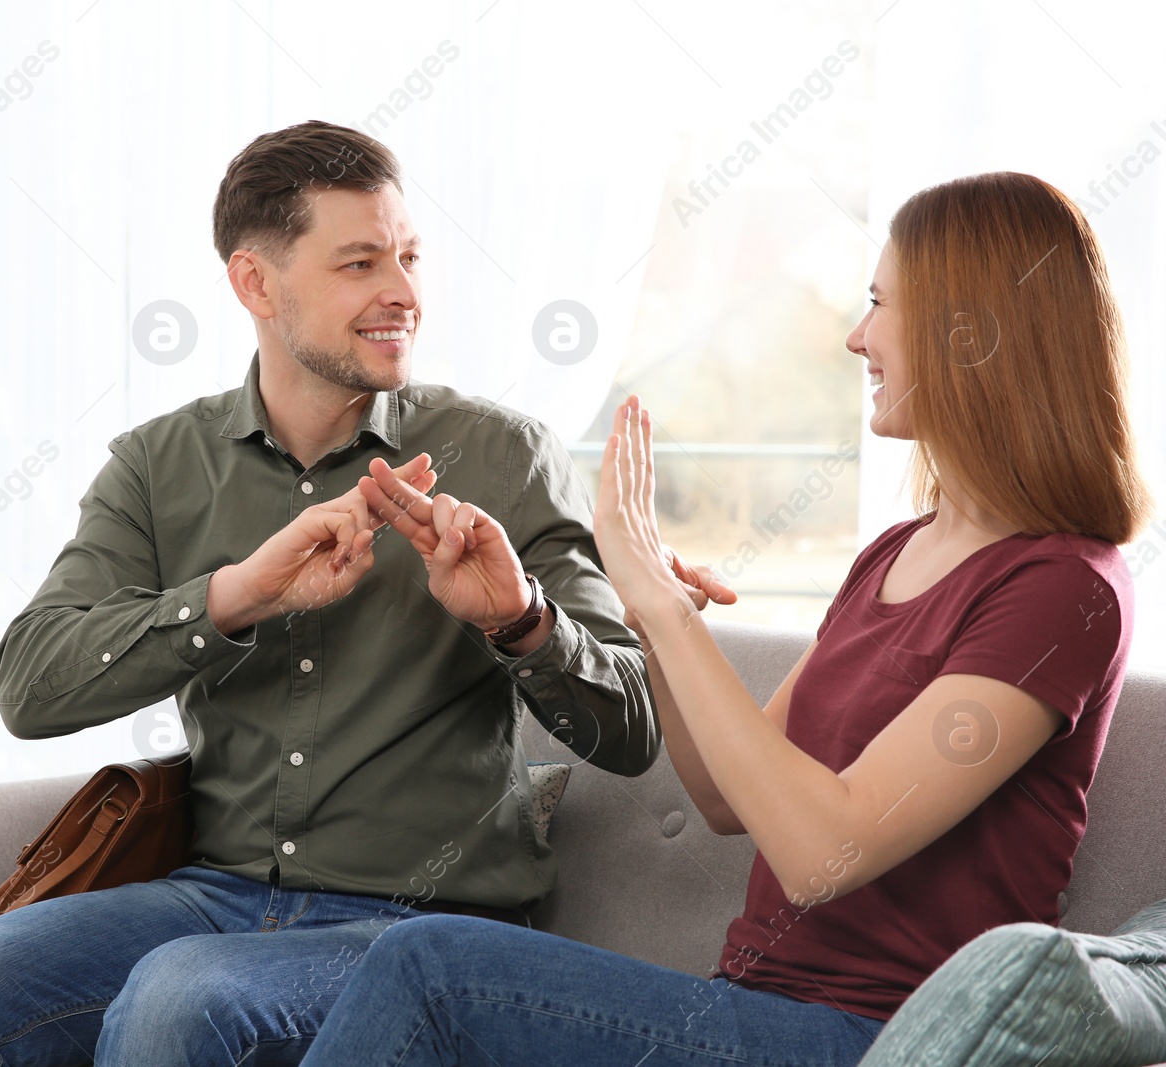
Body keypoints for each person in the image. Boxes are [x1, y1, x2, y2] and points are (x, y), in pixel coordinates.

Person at [0, 120, 724, 1067]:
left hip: (423, 920)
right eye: (360, 263)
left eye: (408, 257)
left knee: (179, 999)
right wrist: (232, 596)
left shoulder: (505, 455)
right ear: (255, 284)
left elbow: (633, 725)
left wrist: (519, 621)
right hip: (214, 893)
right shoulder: (157, 467)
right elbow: (29, 686)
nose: (403, 293)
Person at [298, 170, 1150, 1067]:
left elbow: (826, 849)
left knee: (428, 966)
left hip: (869, 1038)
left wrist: (665, 613)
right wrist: (656, 612)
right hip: (749, 1007)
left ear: (971, 333)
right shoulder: (898, 552)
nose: (860, 338)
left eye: (880, 303)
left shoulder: (1064, 590)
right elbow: (719, 797)